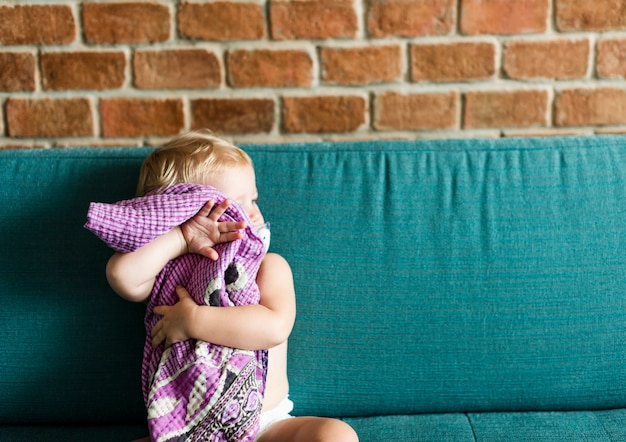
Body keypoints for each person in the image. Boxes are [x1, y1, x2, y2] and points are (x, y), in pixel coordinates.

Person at [103, 130, 359, 442]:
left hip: (268, 425)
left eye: (253, 200)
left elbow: (273, 327)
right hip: (191, 432)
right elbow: (121, 275)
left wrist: (193, 321)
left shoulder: (268, 267)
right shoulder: (168, 276)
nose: (254, 213)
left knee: (335, 434)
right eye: (237, 205)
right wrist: (181, 238)